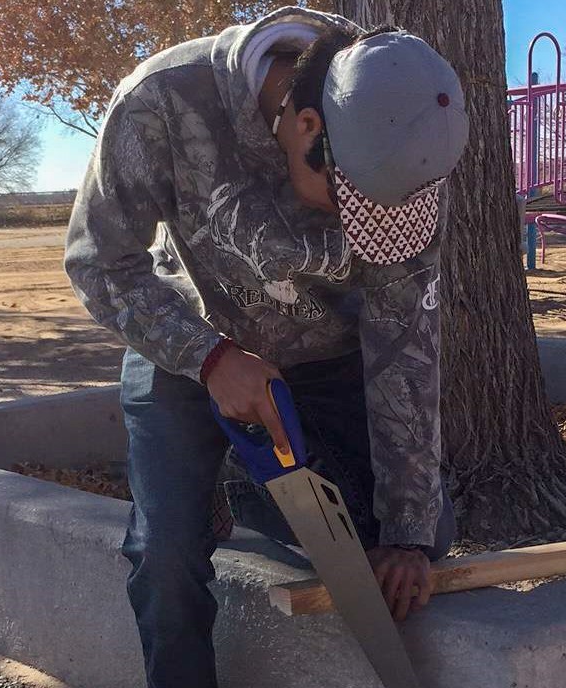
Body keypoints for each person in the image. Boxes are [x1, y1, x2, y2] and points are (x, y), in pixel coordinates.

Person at [64, 6, 469, 687]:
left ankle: (242, 485)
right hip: (186, 346)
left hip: (325, 354)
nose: (354, 228)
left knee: (422, 536)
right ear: (307, 127)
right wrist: (213, 359)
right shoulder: (164, 99)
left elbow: (405, 342)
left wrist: (404, 533)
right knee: (167, 554)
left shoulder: (404, 134)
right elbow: (99, 263)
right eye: (345, 204)